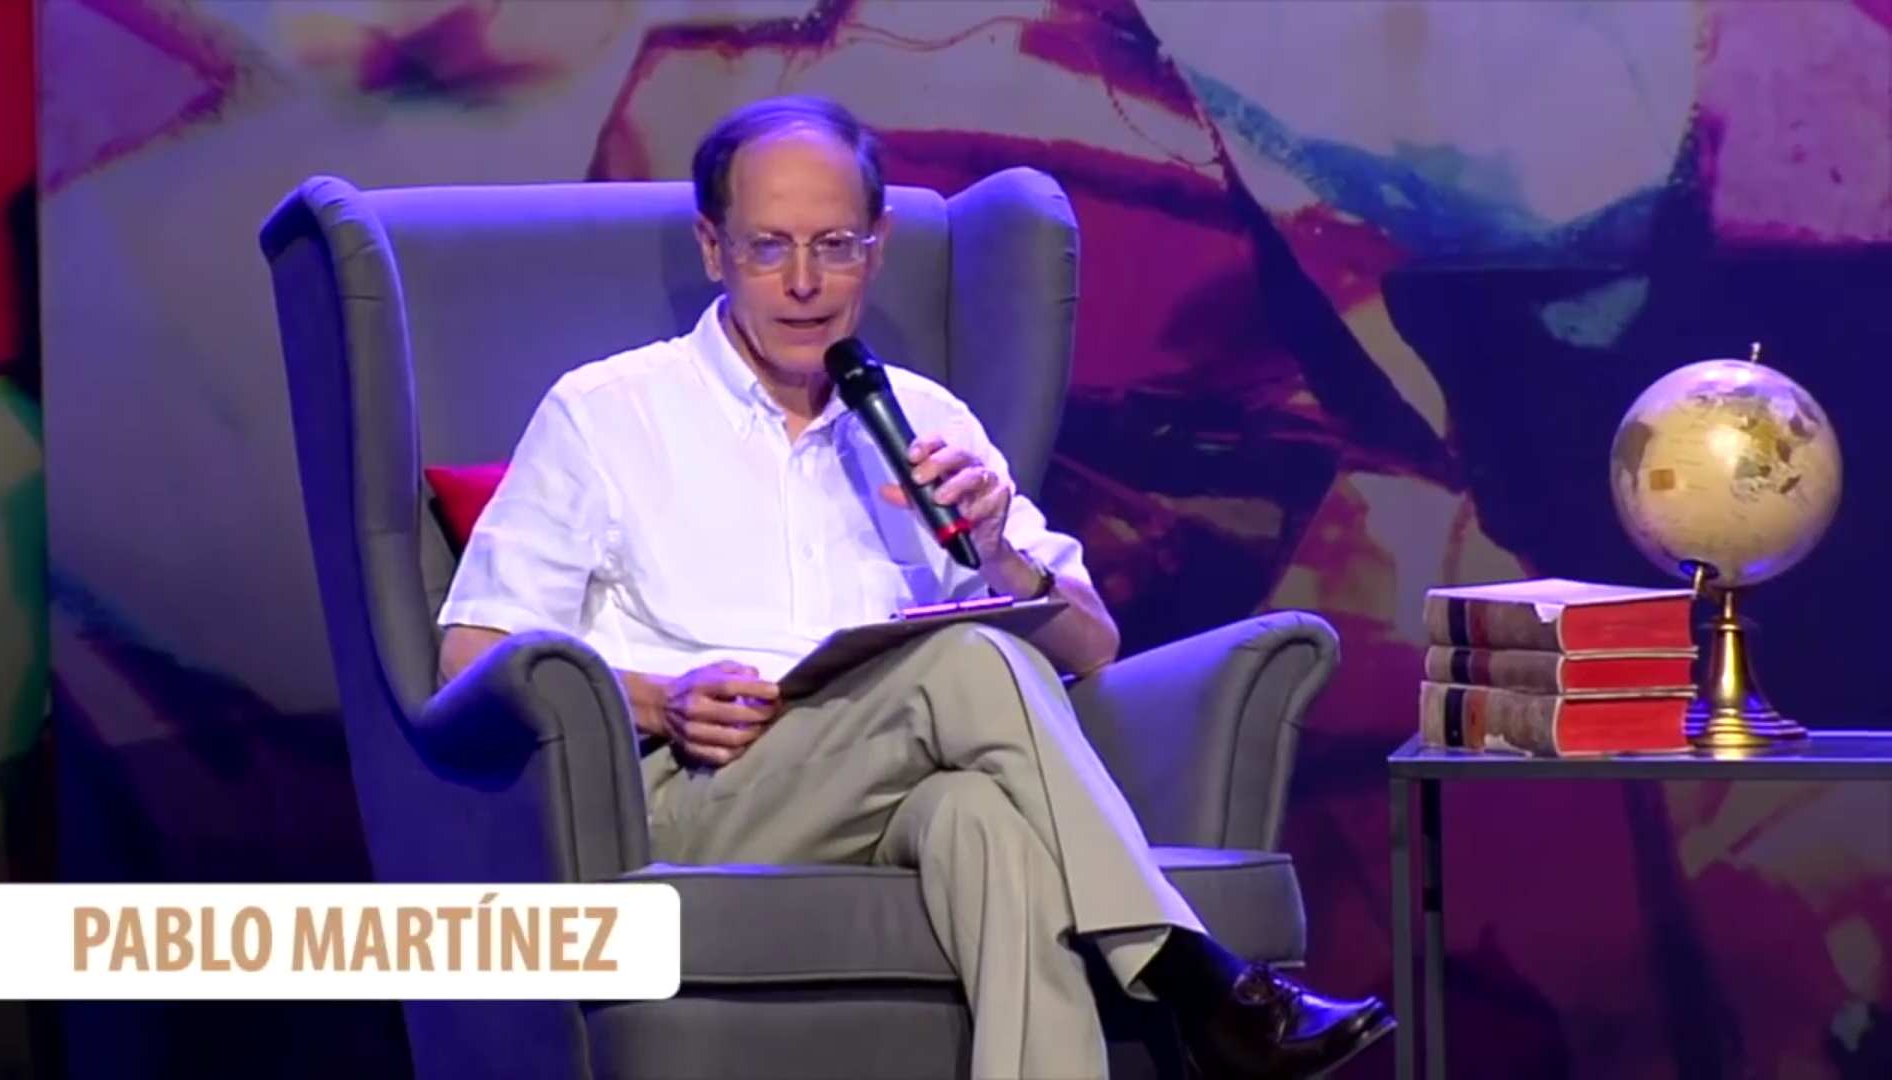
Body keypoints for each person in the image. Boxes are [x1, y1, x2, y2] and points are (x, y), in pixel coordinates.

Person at [436, 94, 1394, 1080]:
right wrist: (658, 700)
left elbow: (1092, 644)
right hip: (704, 795)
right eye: (769, 248)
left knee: (987, 825)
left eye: (834, 246)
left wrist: (998, 549)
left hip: (891, 795)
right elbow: (469, 657)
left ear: (878, 245)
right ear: (713, 248)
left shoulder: (925, 419)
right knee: (969, 659)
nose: (804, 283)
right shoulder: (607, 412)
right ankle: (1198, 980)